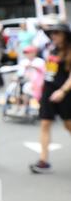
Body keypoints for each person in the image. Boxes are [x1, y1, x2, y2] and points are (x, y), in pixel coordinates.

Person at [30, 23, 71, 174]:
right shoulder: (51, 49)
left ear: (65, 35)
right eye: (51, 33)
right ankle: (43, 161)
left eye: (57, 33)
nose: (53, 35)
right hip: (48, 91)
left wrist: (62, 91)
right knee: (45, 123)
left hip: (65, 93)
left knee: (68, 124)